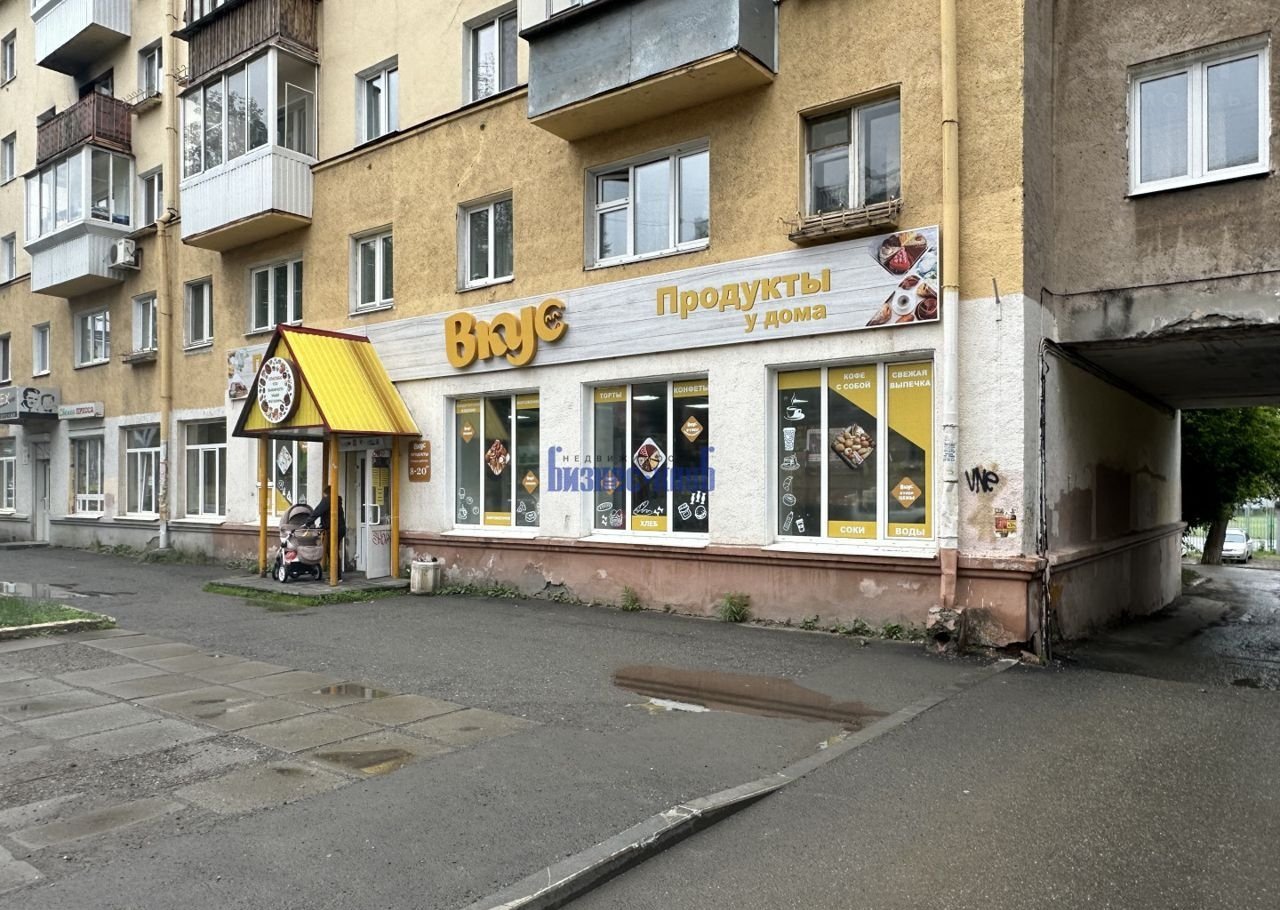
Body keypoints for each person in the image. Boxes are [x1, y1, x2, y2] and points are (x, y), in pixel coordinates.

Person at [311, 486, 347, 579]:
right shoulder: (337, 500)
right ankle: (336, 574)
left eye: (324, 494)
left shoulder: (328, 500)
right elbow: (327, 514)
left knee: (332, 551)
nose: (323, 496)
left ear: (326, 493)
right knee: (333, 550)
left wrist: (307, 523)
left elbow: (317, 511)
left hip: (334, 529)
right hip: (340, 528)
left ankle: (336, 576)